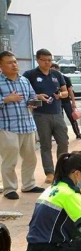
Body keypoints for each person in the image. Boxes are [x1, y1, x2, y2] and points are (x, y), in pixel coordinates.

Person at [0, 50, 46, 200]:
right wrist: (7, 99)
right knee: (10, 159)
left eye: (15, 61)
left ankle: (29, 185)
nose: (14, 65)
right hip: (7, 126)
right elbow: (7, 100)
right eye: (9, 62)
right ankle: (9, 189)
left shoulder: (24, 80)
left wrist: (38, 100)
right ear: (1, 65)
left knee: (30, 158)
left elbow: (31, 99)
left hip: (27, 125)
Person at [23, 49, 69, 184]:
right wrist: (37, 96)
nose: (47, 63)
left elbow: (65, 91)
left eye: (50, 60)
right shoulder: (30, 75)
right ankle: (49, 172)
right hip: (40, 114)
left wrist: (60, 95)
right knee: (46, 145)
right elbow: (25, 95)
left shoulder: (56, 74)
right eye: (44, 60)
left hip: (57, 113)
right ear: (38, 60)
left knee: (63, 142)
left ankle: (62, 170)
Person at [51, 63, 81, 140]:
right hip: (56, 103)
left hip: (66, 102)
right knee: (59, 120)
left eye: (54, 69)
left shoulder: (65, 78)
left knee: (72, 118)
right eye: (51, 69)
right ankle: (61, 136)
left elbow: (70, 91)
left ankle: (78, 134)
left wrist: (73, 102)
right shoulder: (50, 79)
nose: (52, 71)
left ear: (57, 69)